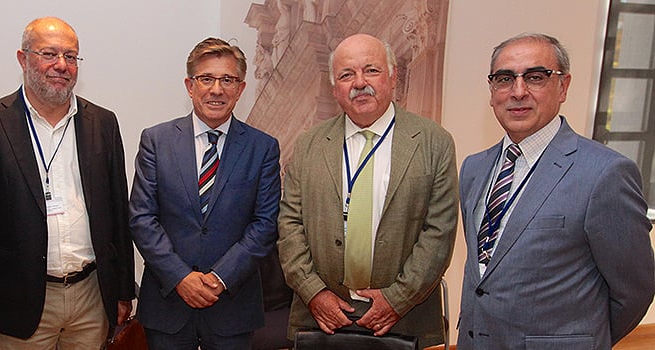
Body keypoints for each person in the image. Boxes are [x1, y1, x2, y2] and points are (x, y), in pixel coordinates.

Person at [457, 33, 655, 349]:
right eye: (505, 79)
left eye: (535, 77)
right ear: (492, 90)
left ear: (562, 86)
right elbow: (486, 273)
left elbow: (635, 290)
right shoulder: (473, 169)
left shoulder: (605, 174)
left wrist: (580, 339)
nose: (518, 92)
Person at [0, 17, 135, 349]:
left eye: (71, 56)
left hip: (91, 295)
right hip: (21, 298)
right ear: (22, 58)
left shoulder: (102, 122)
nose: (61, 65)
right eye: (49, 54)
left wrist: (123, 291)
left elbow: (118, 213)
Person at [277, 33, 457, 348]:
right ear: (335, 89)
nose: (360, 82)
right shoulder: (308, 145)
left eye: (371, 70)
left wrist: (397, 299)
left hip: (405, 320)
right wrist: (314, 293)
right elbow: (289, 225)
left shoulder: (434, 141)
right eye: (347, 75)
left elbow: (439, 233)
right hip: (320, 319)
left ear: (392, 77)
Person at [129, 37, 281, 349]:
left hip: (232, 304)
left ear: (240, 88)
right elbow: (142, 217)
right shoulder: (156, 141)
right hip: (168, 302)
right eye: (206, 79)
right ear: (190, 85)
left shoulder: (263, 147)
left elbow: (265, 224)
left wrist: (219, 278)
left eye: (227, 79)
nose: (216, 89)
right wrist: (181, 277)